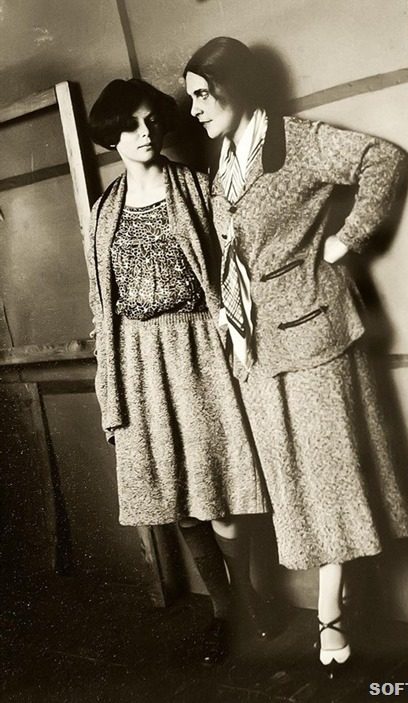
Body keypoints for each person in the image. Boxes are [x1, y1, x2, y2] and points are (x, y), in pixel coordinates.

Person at [184, 37, 408, 676]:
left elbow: (383, 159)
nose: (195, 109)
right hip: (257, 348)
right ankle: (339, 602)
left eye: (202, 94)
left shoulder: (299, 142)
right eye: (191, 98)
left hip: (314, 335)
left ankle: (330, 615)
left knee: (329, 476)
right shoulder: (225, 163)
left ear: (235, 86)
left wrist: (345, 240)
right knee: (293, 482)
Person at [84, 78, 270, 664]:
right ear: (111, 134)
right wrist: (109, 385)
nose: (145, 133)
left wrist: (237, 339)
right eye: (130, 125)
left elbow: (235, 267)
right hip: (139, 361)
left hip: (198, 347)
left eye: (151, 121)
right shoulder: (103, 211)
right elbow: (102, 305)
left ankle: (247, 598)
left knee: (220, 489)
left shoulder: (195, 187)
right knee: (177, 495)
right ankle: (224, 610)